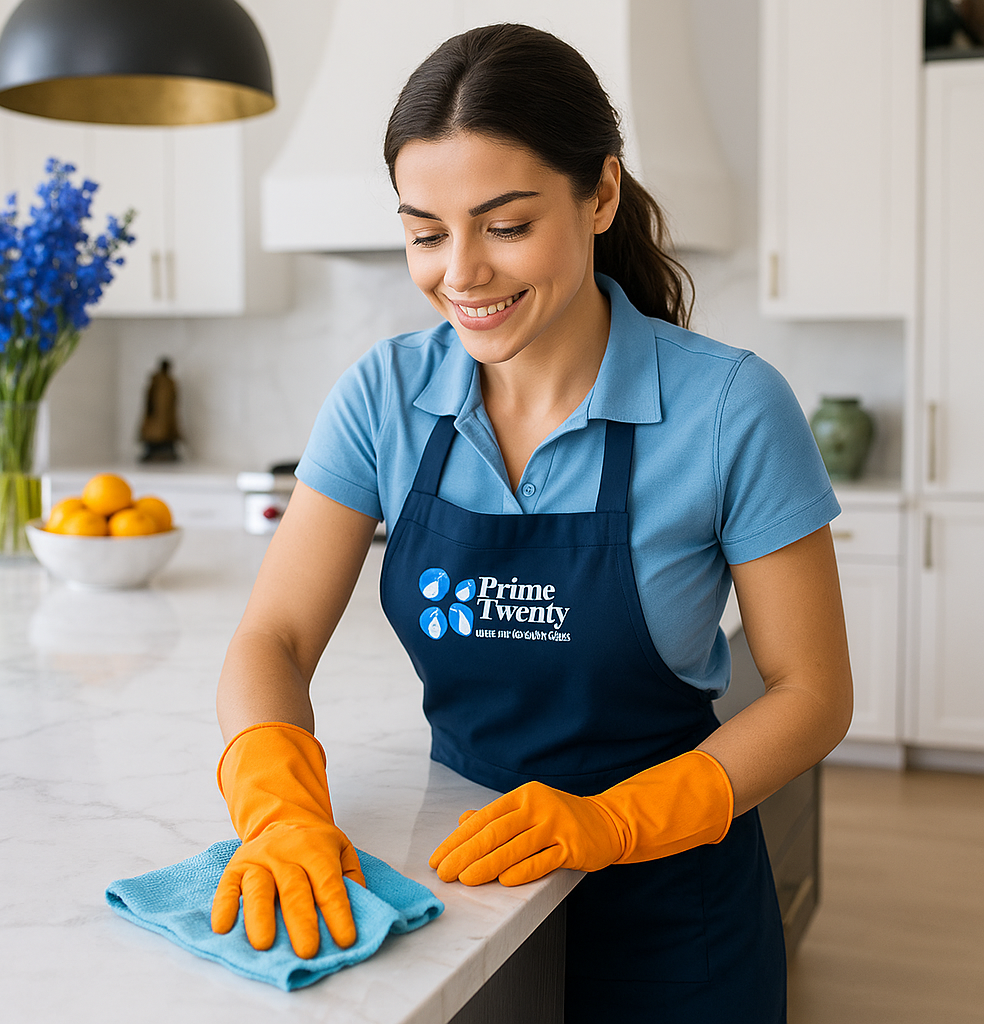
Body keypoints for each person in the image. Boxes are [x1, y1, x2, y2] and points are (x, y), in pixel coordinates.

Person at [209, 23, 853, 1023]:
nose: (460, 272)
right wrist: (281, 811)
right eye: (425, 232)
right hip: (461, 881)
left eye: (504, 225)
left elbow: (811, 692)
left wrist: (614, 820)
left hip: (675, 906)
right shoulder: (383, 396)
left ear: (598, 194)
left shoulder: (729, 407)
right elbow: (274, 638)